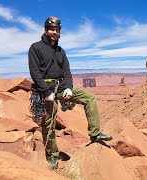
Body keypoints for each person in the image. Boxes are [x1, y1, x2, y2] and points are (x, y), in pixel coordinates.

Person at [28, 16, 112, 170]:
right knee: (49, 124)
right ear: (46, 30)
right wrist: (46, 92)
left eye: (57, 30)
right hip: (45, 90)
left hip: (60, 87)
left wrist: (69, 87)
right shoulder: (36, 48)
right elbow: (35, 73)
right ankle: (52, 156)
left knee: (89, 97)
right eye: (52, 29)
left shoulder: (61, 51)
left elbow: (67, 71)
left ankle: (94, 133)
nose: (55, 32)